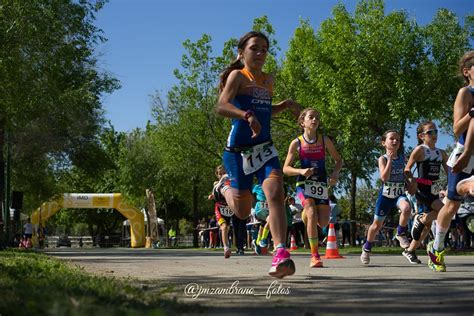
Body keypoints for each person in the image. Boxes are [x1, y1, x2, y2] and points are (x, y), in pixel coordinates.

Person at [214, 31, 300, 278]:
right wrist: (246, 115)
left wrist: (283, 106)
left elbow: (264, 110)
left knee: (275, 193)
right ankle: (225, 187)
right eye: (255, 48)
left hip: (264, 148)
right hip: (237, 152)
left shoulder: (268, 80)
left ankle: (281, 252)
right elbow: (221, 106)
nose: (261, 53)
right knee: (242, 211)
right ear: (242, 52)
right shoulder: (237, 76)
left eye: (265, 48)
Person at [428, 51, 474, 272]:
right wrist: (472, 112)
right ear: (467, 72)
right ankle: (436, 247)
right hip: (463, 155)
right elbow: (457, 129)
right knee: (453, 204)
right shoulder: (465, 93)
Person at [283, 108, 343, 268]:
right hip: (303, 184)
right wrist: (301, 170)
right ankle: (315, 256)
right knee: (310, 211)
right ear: (303, 122)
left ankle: (306, 217)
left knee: (323, 222)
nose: (315, 120)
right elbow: (285, 168)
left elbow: (338, 160)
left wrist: (335, 174)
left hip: (321, 184)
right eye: (311, 117)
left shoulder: (325, 140)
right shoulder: (296, 143)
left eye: (317, 117)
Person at [360, 130, 413, 264]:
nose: (395, 141)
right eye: (392, 139)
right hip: (385, 196)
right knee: (376, 225)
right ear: (384, 143)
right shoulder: (382, 159)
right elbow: (384, 177)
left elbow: (407, 173)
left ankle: (400, 233)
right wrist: (389, 160)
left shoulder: (403, 158)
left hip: (399, 194)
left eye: (398, 140)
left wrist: (410, 182)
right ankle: (367, 248)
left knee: (407, 208)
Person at [402, 121, 448, 264]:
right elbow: (407, 169)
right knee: (444, 210)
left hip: (434, 190)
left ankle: (409, 250)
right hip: (422, 189)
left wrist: (450, 188)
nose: (434, 135)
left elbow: (450, 173)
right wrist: (412, 181)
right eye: (430, 132)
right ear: (422, 136)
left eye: (436, 131)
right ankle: (421, 218)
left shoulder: (442, 153)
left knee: (427, 227)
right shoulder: (420, 150)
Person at [209, 165, 234, 258]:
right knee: (223, 227)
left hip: (229, 209)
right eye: (220, 174)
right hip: (219, 209)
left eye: (224, 173)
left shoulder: (230, 182)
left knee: (227, 228)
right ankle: (226, 248)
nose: (222, 175)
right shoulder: (216, 184)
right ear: (217, 175)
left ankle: (228, 245)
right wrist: (211, 196)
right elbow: (214, 192)